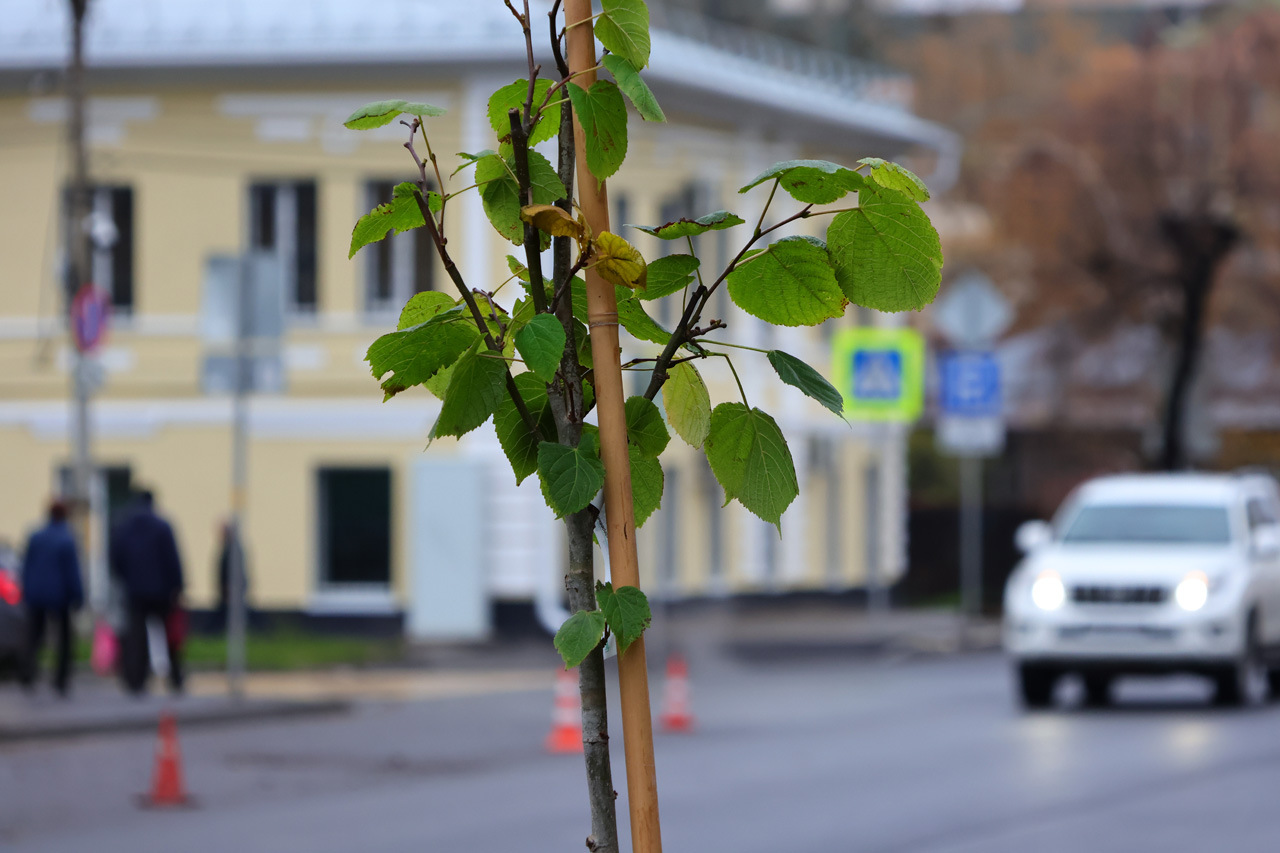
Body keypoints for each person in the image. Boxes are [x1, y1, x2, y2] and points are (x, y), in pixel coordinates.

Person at [110, 488, 185, 695]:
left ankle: (136, 680)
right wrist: (178, 586)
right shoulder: (162, 526)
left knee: (136, 637)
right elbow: (172, 559)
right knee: (169, 635)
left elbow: (115, 558)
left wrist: (125, 579)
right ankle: (176, 679)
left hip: (134, 591)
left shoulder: (124, 527)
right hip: (161, 590)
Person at [19, 500, 84, 696]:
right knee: (64, 639)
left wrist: (27, 591)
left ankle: (27, 673)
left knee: (34, 636)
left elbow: (26, 567)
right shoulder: (67, 538)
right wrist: (78, 596)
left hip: (36, 594)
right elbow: (72, 572)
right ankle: (60, 679)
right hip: (60, 596)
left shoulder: (36, 537)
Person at [214, 520, 250, 631]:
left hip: (232, 589)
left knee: (232, 614)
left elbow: (236, 571)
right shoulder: (228, 547)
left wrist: (231, 587)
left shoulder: (234, 549)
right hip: (227, 589)